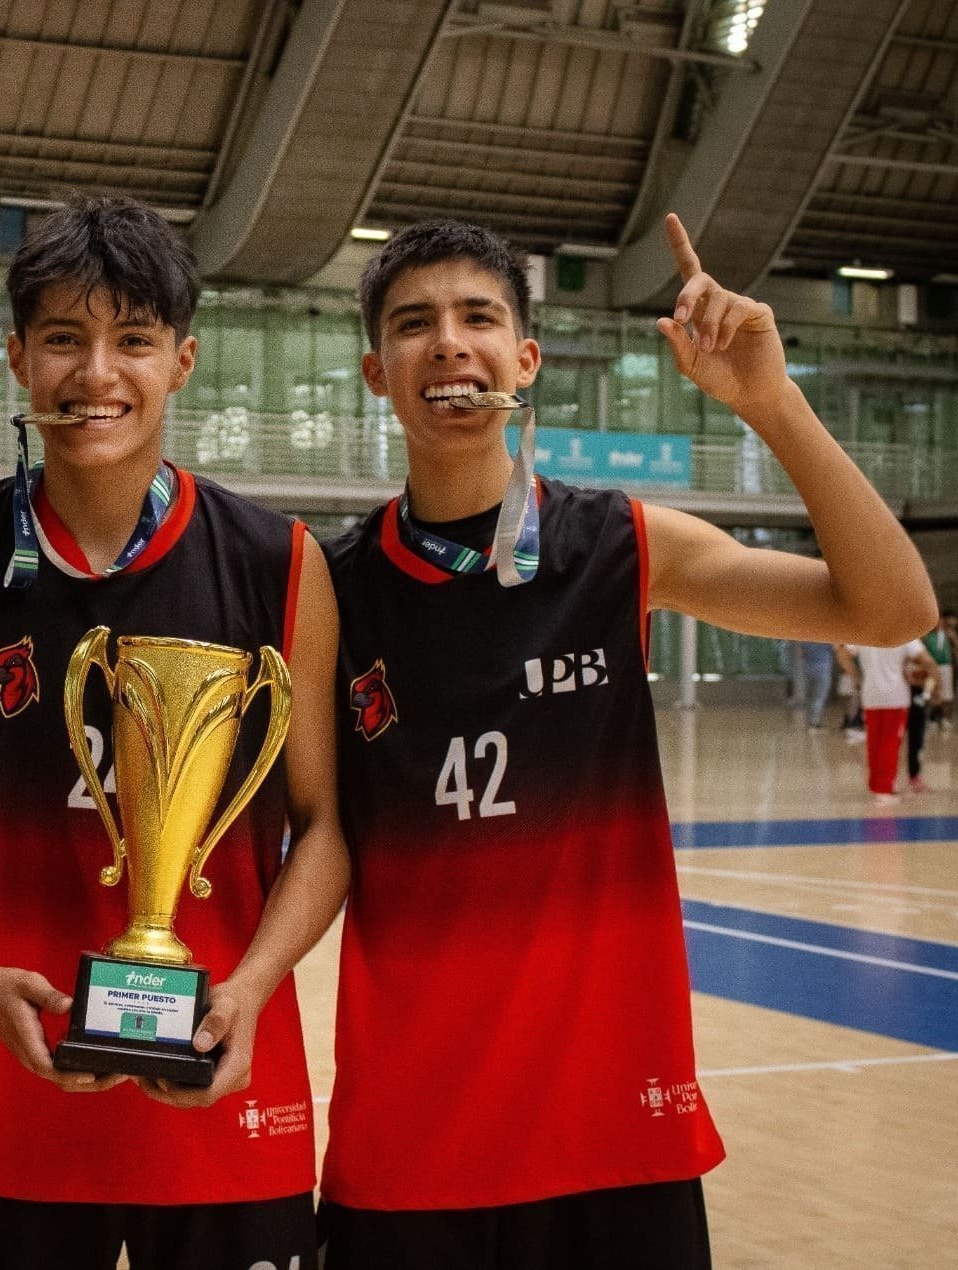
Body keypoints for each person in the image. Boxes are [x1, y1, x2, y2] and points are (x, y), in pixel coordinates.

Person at [319, 215, 937, 1269]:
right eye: (414, 324)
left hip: (616, 1134)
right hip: (412, 1136)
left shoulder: (618, 545)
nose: (449, 344)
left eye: (480, 317)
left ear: (526, 358)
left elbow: (889, 607)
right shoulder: (329, 588)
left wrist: (769, 403)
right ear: (378, 372)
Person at [0, 195, 348, 1270]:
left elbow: (322, 824)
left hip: (222, 1099)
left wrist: (255, 984)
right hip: (3, 1113)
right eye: (62, 339)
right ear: (14, 358)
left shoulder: (282, 562)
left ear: (181, 360)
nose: (96, 373)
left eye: (131, 340)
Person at [836, 641, 938, 803]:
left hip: (871, 694)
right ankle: (885, 788)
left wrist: (856, 676)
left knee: (874, 743)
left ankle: (876, 784)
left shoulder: (864, 634)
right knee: (890, 743)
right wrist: (931, 686)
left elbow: (842, 654)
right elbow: (928, 661)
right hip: (896, 696)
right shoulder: (905, 635)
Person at [797, 639, 836, 730]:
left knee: (809, 696)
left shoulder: (805, 637)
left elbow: (800, 653)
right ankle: (814, 721)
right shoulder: (827, 636)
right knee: (820, 696)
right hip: (823, 667)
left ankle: (809, 719)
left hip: (808, 667)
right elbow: (835, 649)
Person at [925, 613, 953, 733]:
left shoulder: (948, 635)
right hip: (933, 668)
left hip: (946, 667)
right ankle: (932, 719)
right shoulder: (928, 637)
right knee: (933, 693)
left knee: (946, 694)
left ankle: (944, 718)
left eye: (939, 621)